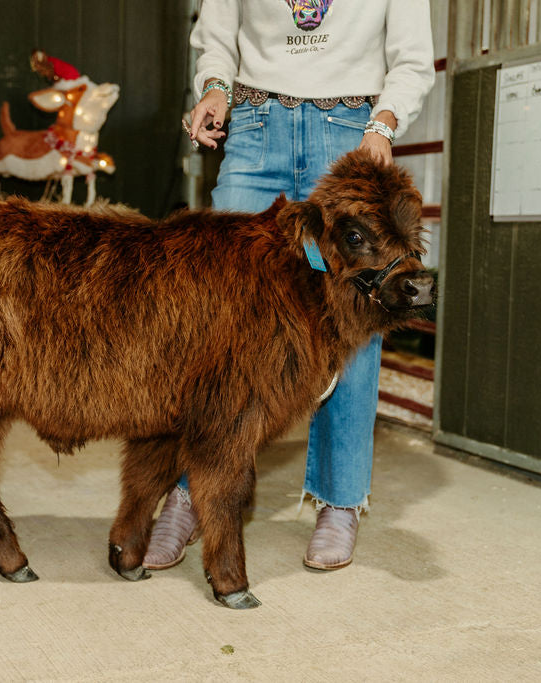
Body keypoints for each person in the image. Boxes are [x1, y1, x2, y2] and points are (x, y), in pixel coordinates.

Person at [142, 0, 435, 572]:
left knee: (356, 317)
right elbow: (218, 36)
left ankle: (340, 500)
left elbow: (412, 59)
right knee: (217, 323)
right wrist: (215, 88)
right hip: (254, 131)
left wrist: (384, 124)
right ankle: (188, 492)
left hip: (351, 135)